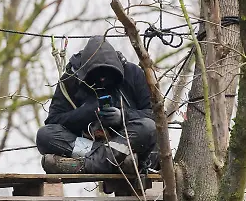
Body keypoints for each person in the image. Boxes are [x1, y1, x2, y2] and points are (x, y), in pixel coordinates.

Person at [36, 36, 159, 175]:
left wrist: (123, 117)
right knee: (44, 135)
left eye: (106, 75)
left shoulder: (133, 72)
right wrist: (85, 113)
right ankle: (115, 162)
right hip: (92, 146)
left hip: (127, 143)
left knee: (149, 127)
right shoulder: (70, 80)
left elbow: (156, 116)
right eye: (97, 75)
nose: (102, 79)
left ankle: (84, 165)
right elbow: (53, 121)